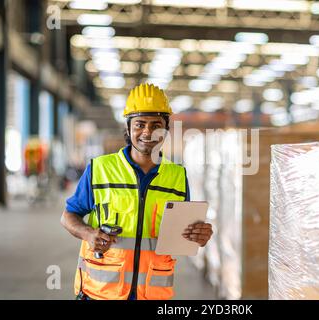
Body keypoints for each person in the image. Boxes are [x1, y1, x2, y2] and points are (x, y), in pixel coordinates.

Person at [60, 83, 213, 300]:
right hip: (101, 293)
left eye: (156, 125)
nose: (147, 132)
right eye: (140, 124)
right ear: (129, 127)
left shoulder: (178, 177)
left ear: (166, 129)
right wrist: (88, 233)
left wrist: (199, 235)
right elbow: (68, 216)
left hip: (152, 293)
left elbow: (180, 235)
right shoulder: (100, 169)